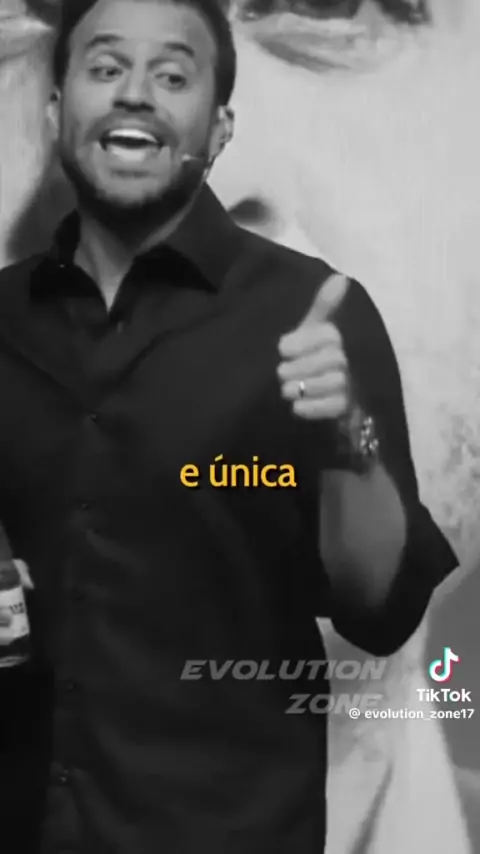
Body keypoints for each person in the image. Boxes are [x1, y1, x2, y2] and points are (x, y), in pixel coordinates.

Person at [0, 0, 458, 852]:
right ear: (57, 111)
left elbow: (380, 610)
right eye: (105, 68)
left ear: (218, 130)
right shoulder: (4, 318)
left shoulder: (311, 314)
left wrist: (347, 440)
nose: (135, 93)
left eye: (173, 76)